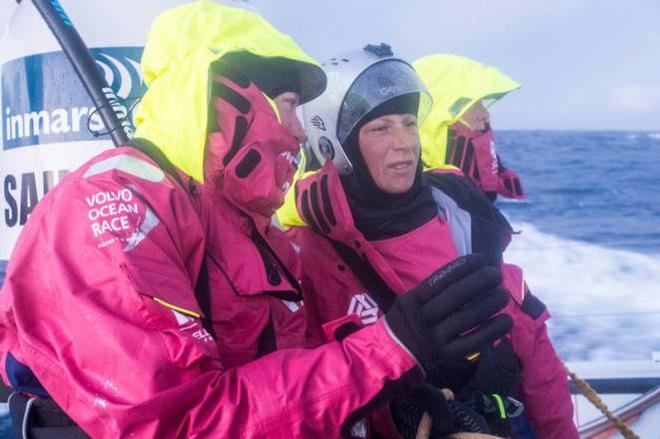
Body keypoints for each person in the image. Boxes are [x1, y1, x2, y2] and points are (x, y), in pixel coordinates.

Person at [0, 4, 511, 438]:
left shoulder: (248, 224)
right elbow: (182, 422)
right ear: (219, 92)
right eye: (287, 106)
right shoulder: (111, 209)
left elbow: (286, 367)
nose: (295, 134)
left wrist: (395, 391)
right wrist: (389, 351)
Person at [278, 44, 578, 438]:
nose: (404, 142)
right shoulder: (306, 253)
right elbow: (303, 397)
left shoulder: (463, 219)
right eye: (380, 128)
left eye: (409, 122)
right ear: (334, 145)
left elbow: (532, 347)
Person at [414, 54, 525, 202]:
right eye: (468, 104)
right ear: (432, 119)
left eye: (481, 103)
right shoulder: (422, 208)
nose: (485, 114)